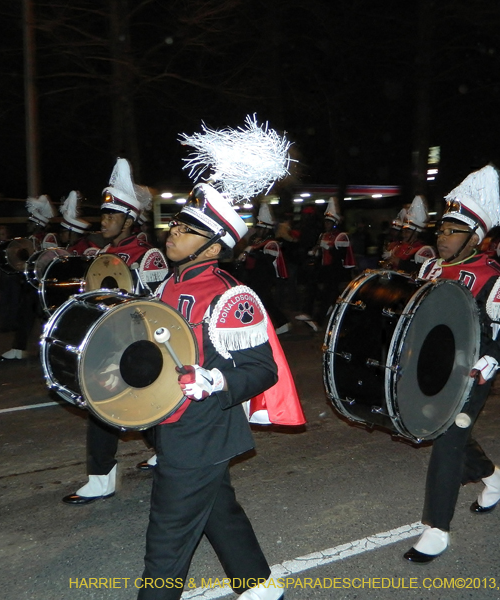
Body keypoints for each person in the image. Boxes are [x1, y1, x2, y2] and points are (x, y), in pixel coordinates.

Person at [131, 117, 303, 600]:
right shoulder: (171, 282)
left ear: (212, 244)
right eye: (176, 224)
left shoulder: (232, 296)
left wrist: (216, 380)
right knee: (217, 510)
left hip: (202, 426)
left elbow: (261, 369)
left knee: (166, 543)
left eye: (187, 229)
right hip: (176, 420)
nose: (172, 232)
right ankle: (259, 585)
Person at [403, 164, 500, 563]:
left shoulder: (493, 277)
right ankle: (496, 478)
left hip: (473, 372)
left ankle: (436, 529)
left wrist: (491, 360)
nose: (442, 237)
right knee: (450, 432)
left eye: (452, 231)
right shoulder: (429, 269)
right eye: (441, 230)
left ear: (475, 236)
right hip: (434, 371)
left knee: (447, 441)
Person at [62, 158, 163, 505]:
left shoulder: (148, 256)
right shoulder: (105, 252)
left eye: (111, 216)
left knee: (105, 406)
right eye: (103, 215)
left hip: (136, 344)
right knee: (138, 406)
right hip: (108, 341)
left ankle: (101, 478)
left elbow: (154, 306)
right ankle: (164, 453)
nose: (103, 221)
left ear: (129, 220)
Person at [0, 195, 57, 360]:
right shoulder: (29, 240)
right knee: (26, 315)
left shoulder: (48, 238)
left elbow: (48, 260)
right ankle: (18, 349)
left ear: (38, 224)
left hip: (44, 284)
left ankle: (49, 348)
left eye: (31, 222)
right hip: (31, 283)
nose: (27, 225)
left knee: (47, 317)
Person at [295, 197, 355, 332]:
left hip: (336, 270)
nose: (326, 225)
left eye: (329, 222)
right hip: (323, 268)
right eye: (325, 222)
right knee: (313, 288)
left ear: (334, 223)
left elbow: (340, 255)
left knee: (328, 294)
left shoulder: (341, 236)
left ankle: (318, 321)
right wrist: (315, 252)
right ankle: (308, 312)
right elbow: (320, 252)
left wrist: (329, 248)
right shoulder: (323, 235)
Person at [237, 203, 290, 334]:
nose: (258, 231)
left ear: (267, 229)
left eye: (261, 228)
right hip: (254, 276)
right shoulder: (256, 241)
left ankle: (282, 322)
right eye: (258, 228)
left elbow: (267, 260)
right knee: (261, 301)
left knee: (265, 301)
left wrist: (252, 252)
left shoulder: (272, 243)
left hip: (265, 277)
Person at [381, 195, 436, 274]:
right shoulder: (398, 247)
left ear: (416, 233)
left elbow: (425, 271)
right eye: (403, 231)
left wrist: (400, 263)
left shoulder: (424, 250)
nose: (403, 234)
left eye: (407, 232)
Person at [58, 190, 101, 256]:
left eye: (63, 231)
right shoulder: (74, 246)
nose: (60, 234)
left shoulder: (83, 250)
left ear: (72, 232)